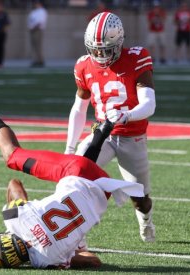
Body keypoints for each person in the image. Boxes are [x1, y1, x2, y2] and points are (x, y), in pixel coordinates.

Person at [0, 93, 144, 268]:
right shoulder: (15, 220)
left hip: (101, 192)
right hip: (76, 171)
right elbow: (13, 184)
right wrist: (14, 218)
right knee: (12, 157)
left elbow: (93, 261)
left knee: (77, 189)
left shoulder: (46, 260)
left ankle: (99, 136)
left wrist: (71, 251)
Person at [65, 12, 156, 243]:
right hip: (102, 133)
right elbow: (79, 108)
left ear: (119, 42)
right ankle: (74, 235)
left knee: (140, 198)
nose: (99, 55)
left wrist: (127, 116)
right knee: (75, 176)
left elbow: (149, 104)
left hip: (131, 136)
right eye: (94, 49)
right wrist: (69, 147)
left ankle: (145, 221)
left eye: (105, 49)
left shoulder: (137, 57)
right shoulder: (84, 66)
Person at [27, 0, 47, 67]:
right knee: (34, 46)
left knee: (38, 46)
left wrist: (33, 28)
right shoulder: (34, 11)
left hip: (37, 30)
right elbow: (31, 20)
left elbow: (40, 22)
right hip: (32, 30)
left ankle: (40, 60)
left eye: (36, 3)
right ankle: (35, 60)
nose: (35, 4)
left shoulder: (42, 11)